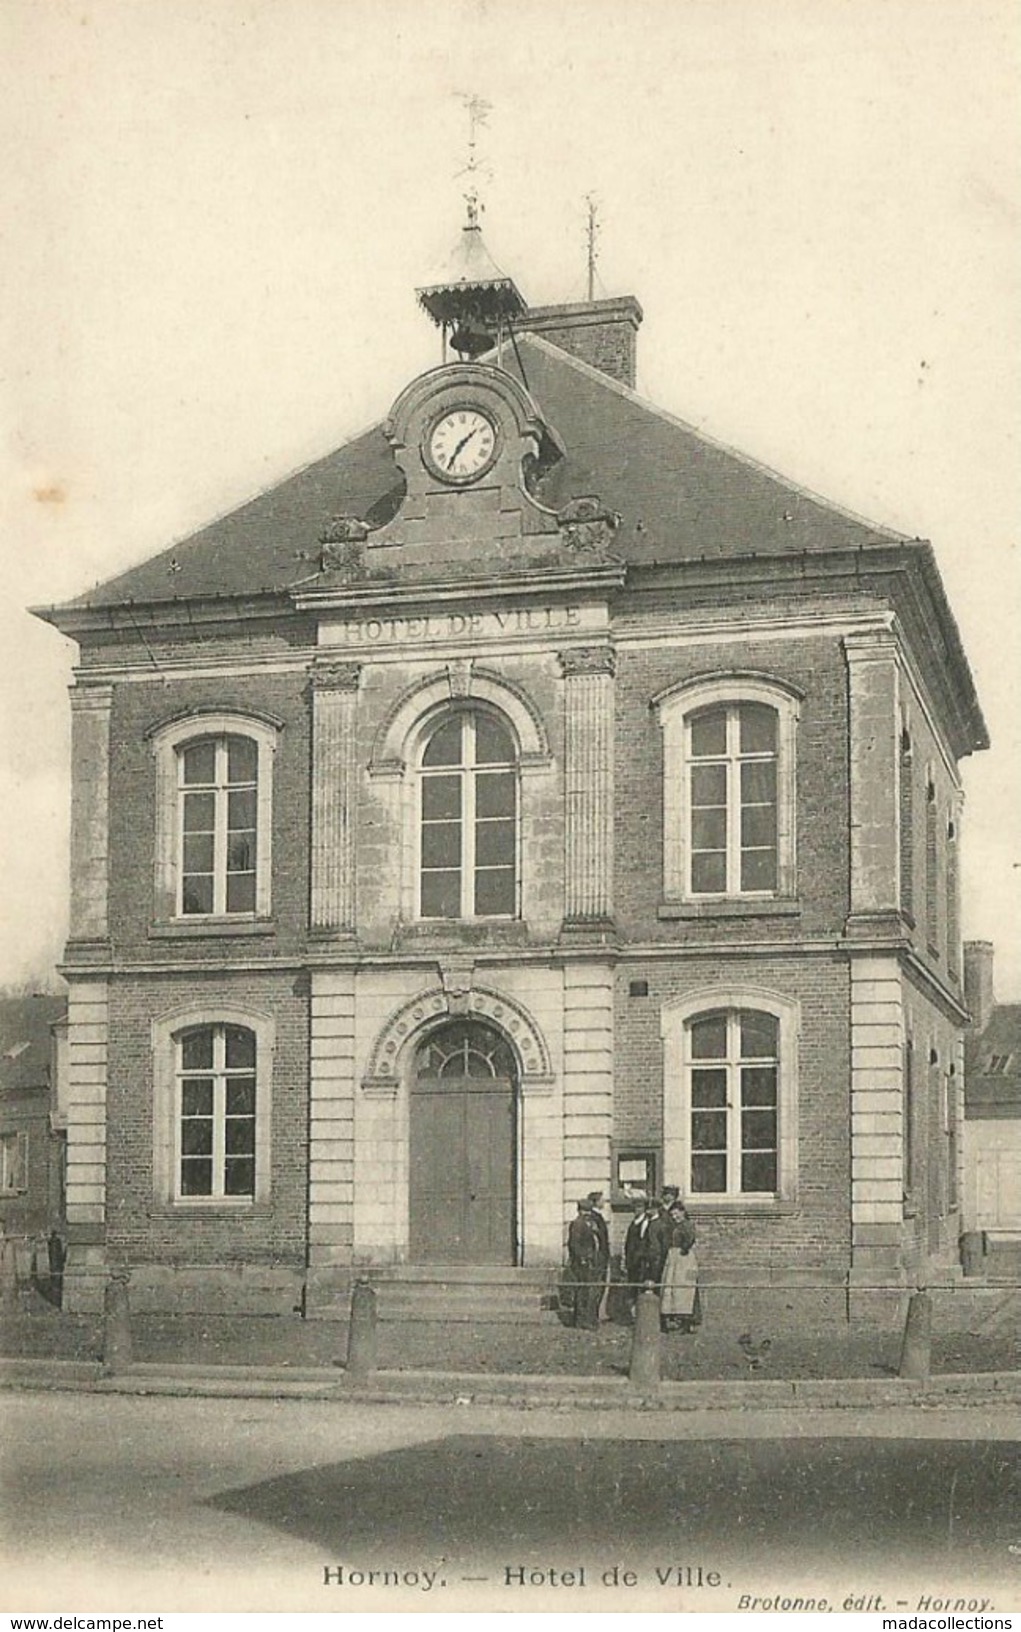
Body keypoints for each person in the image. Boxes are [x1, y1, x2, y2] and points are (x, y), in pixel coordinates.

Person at [658, 1200, 701, 1333]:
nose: (674, 1217)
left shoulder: (687, 1225)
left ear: (683, 1212)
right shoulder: (675, 1226)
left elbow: (690, 1238)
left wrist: (684, 1247)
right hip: (674, 1257)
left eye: (676, 1214)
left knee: (685, 1288)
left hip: (684, 1259)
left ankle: (686, 1321)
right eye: (672, 1215)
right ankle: (672, 1317)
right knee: (670, 1287)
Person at [565, 1196, 606, 1330]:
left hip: (592, 1261)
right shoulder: (577, 1224)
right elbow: (574, 1244)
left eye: (588, 1211)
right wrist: (582, 1258)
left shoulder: (590, 1223)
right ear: (580, 1211)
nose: (587, 1214)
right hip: (582, 1263)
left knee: (590, 1291)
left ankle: (588, 1318)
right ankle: (581, 1320)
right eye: (585, 1211)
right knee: (583, 1291)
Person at [623, 1193, 660, 1320]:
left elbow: (646, 1243)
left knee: (641, 1286)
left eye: (639, 1207)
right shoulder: (634, 1222)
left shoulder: (646, 1223)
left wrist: (641, 1257)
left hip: (641, 1261)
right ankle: (634, 1313)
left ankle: (642, 1314)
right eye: (634, 1208)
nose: (636, 1210)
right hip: (632, 1261)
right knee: (632, 1287)